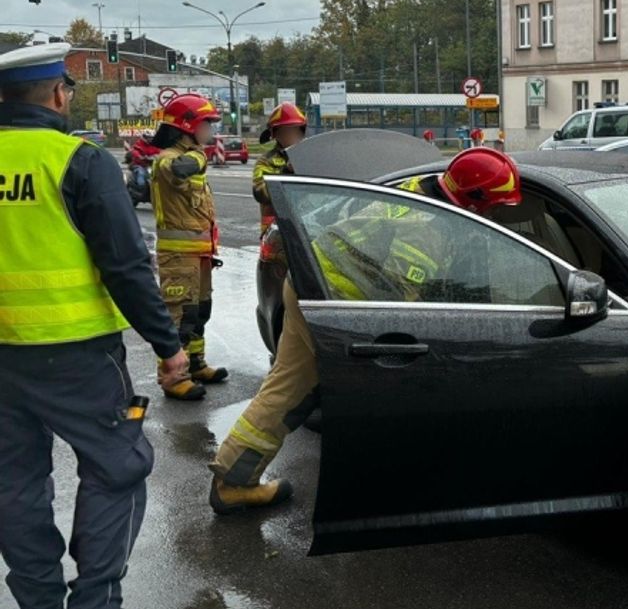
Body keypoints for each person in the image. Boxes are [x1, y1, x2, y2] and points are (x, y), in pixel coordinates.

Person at [207, 147, 522, 513]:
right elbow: (402, 302)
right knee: (302, 393)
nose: (494, 215)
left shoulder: (421, 188)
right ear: (475, 198)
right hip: (335, 298)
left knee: (287, 387)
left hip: (311, 283)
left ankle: (232, 478)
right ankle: (238, 484)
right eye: (494, 206)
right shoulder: (425, 229)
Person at [0, 43, 189, 609]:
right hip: (79, 356)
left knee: (13, 486)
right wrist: (168, 344)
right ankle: (96, 599)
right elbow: (127, 266)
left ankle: (37, 600)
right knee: (116, 469)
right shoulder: (78, 160)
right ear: (59, 93)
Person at [149, 93, 228, 401]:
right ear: (187, 126)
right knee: (179, 317)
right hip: (178, 257)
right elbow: (180, 169)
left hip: (199, 254)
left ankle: (195, 364)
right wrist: (201, 155)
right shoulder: (167, 159)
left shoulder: (191, 156)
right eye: (206, 124)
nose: (210, 131)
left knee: (199, 313)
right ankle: (172, 378)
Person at [253, 102, 306, 236]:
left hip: (307, 227)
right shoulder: (265, 161)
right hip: (276, 232)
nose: (292, 135)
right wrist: (286, 173)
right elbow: (260, 193)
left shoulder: (309, 156)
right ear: (276, 134)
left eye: (295, 130)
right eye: (286, 131)